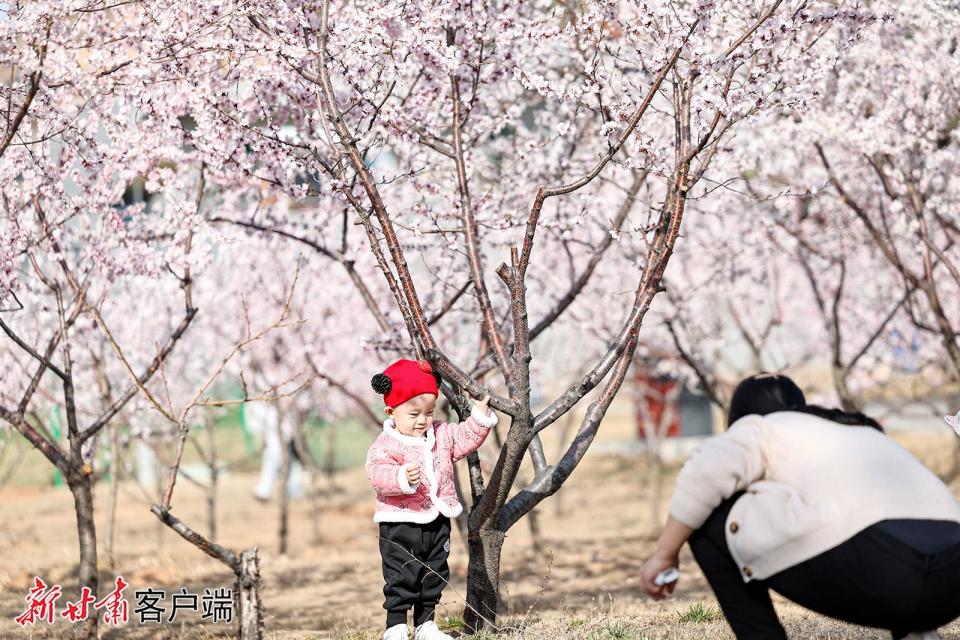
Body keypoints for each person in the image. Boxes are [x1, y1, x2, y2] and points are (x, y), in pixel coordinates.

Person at [641, 372, 960, 640]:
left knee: (712, 516)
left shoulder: (761, 427)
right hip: (949, 585)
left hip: (886, 573)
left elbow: (706, 471)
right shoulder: (859, 430)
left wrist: (664, 554)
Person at [365, 358, 498, 640]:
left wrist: (480, 415)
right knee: (401, 575)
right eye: (413, 415)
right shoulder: (387, 444)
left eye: (428, 412)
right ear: (391, 411)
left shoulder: (440, 433)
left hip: (437, 519)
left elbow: (464, 437)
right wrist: (401, 477)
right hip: (400, 523)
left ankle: (426, 624)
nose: (423, 421)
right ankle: (396, 626)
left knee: (434, 572)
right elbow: (376, 473)